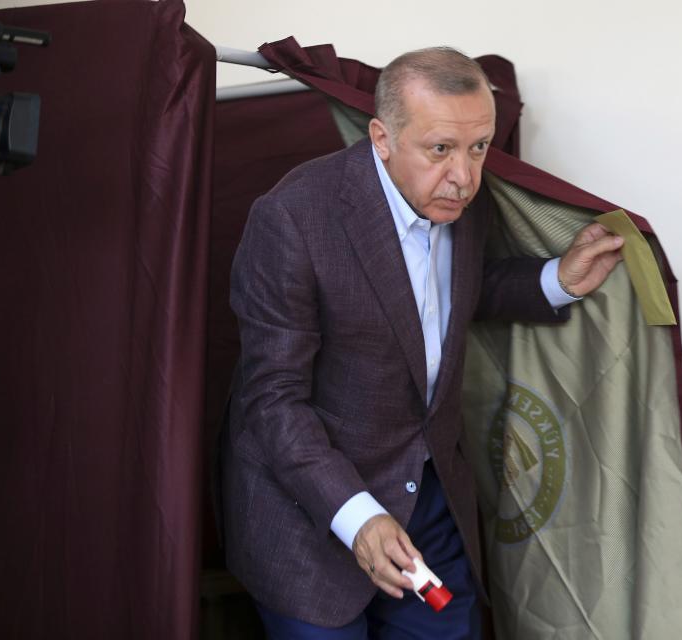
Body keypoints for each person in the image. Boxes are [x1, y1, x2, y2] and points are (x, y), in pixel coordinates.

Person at [220, 47, 624, 639]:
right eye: (440, 149)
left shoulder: (464, 195)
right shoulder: (292, 219)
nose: (464, 177)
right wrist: (357, 518)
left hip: (426, 495)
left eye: (480, 146)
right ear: (382, 138)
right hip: (308, 514)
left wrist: (554, 280)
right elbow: (272, 402)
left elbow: (444, 296)